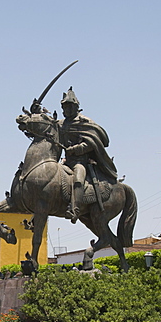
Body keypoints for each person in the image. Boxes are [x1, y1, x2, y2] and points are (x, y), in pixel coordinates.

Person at [59, 87, 117, 224]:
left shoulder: (84, 122)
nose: (66, 110)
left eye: (69, 107)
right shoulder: (60, 124)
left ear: (75, 107)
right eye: (64, 107)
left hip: (81, 161)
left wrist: (77, 148)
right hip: (65, 162)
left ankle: (75, 209)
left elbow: (96, 141)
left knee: (78, 179)